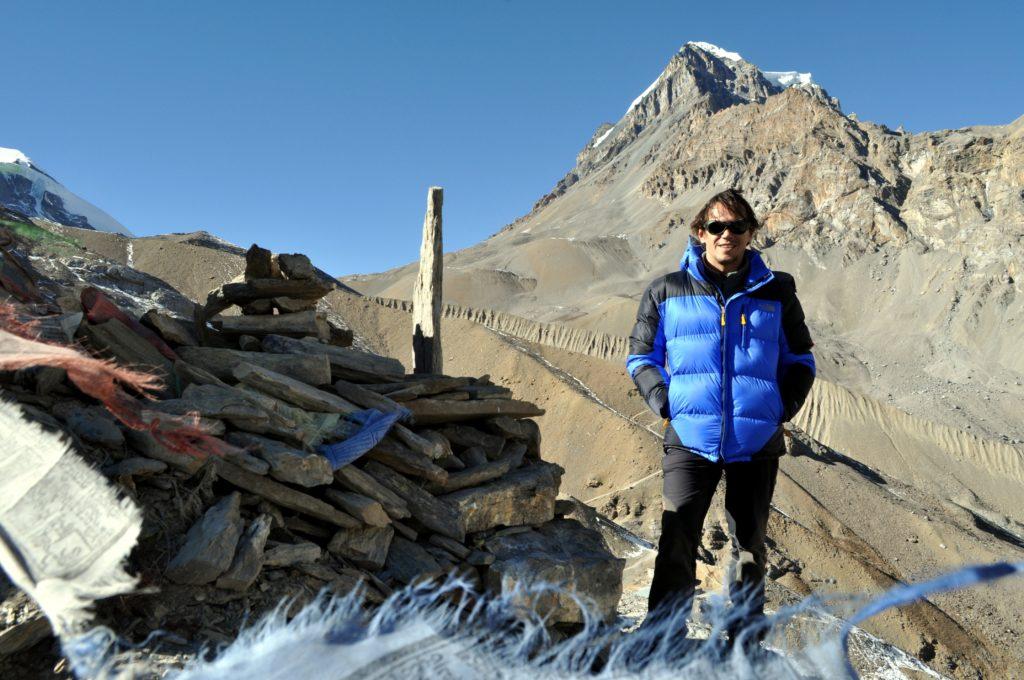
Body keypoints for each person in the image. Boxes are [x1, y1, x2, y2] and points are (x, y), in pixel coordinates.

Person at [625, 188, 816, 642]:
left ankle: (744, 644)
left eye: (736, 226)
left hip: (756, 442)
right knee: (676, 539)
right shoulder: (666, 290)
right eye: (716, 226)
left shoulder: (778, 290)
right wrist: (667, 403)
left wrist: (780, 410)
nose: (726, 234)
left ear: (751, 233)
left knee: (750, 549)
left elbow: (801, 361)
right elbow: (640, 358)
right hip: (689, 438)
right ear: (700, 232)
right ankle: (662, 639)